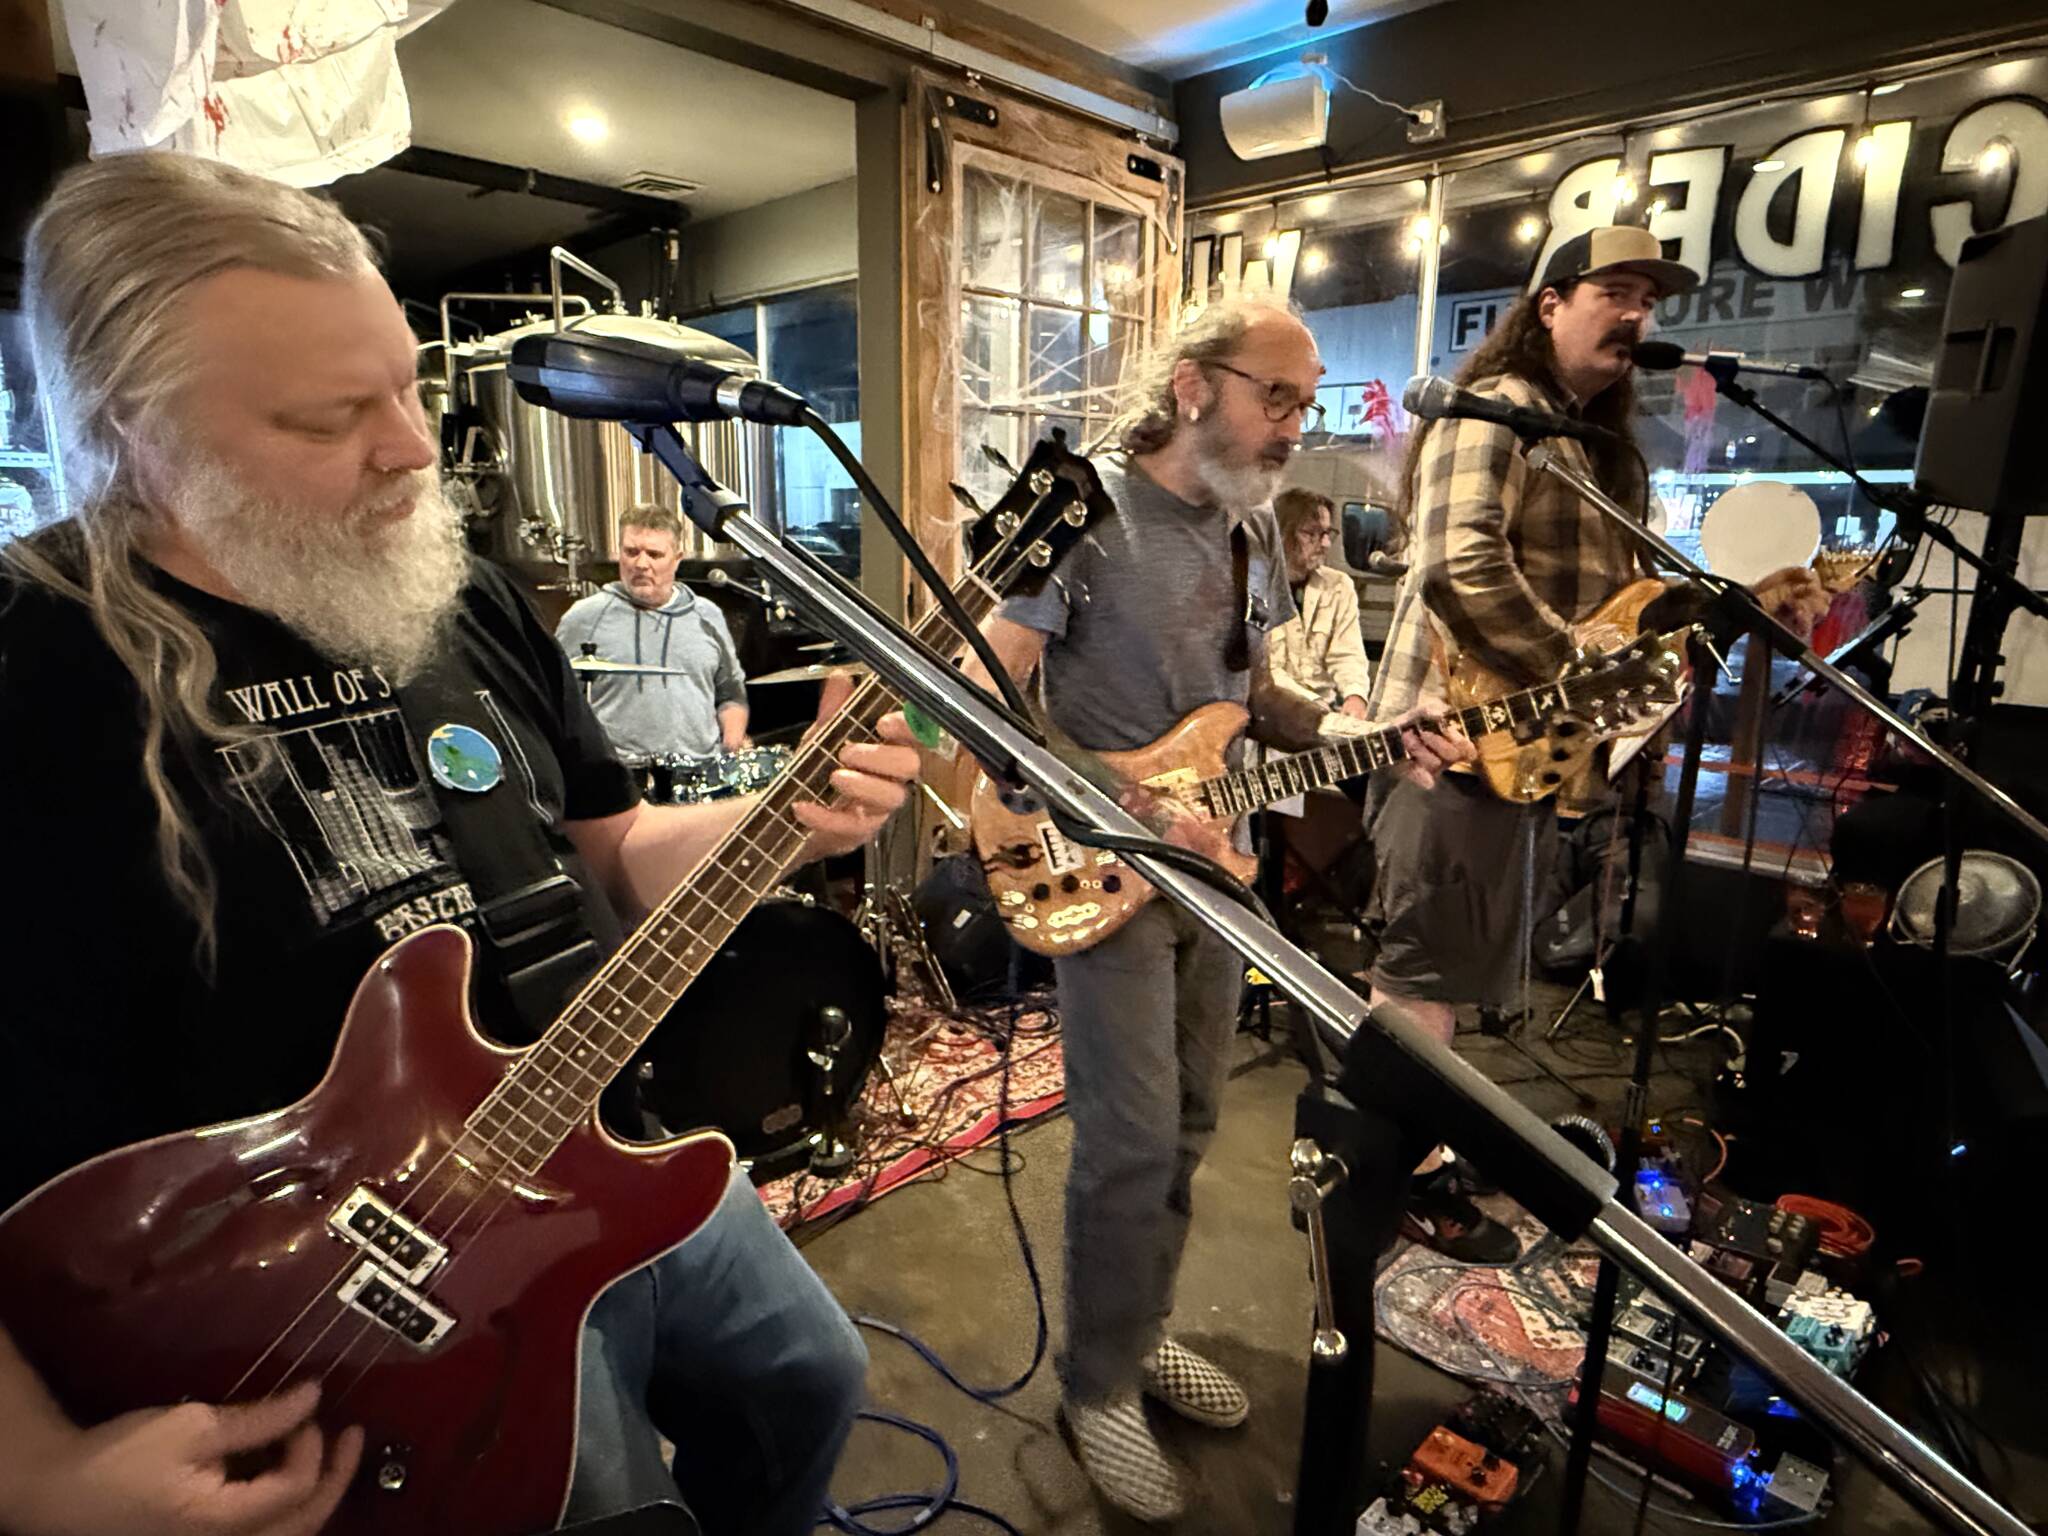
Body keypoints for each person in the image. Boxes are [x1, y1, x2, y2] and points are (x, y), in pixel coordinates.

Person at [0, 153, 921, 1536]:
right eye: (330, 417)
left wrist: (772, 825)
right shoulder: (31, 667)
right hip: (343, 1299)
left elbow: (600, 854)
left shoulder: (457, 591)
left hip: (594, 1139)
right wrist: (35, 1478)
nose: (413, 447)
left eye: (407, 389)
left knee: (808, 1377)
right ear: (139, 425)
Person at [972, 293, 1471, 1523]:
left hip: (1224, 873)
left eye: (1303, 405)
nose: (1293, 427)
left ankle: (1136, 1335)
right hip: (1103, 866)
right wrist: (1131, 806)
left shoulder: (1247, 538)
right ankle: (1092, 1388)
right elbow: (977, 704)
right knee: (1131, 1136)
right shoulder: (1072, 504)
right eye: (1277, 399)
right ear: (1194, 384)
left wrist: (1362, 730)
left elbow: (1256, 705)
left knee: (1194, 1121)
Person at [1364, 225, 1828, 1260]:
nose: (1635, 316)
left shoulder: (1594, 448)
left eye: (1648, 301)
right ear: (1547, 305)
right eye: (1613, 291)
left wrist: (1738, 616)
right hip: (1447, 742)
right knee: (1416, 979)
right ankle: (1393, 1177)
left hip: (1525, 756)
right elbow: (1456, 568)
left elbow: (1625, 617)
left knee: (1454, 975)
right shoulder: (1498, 417)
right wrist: (1580, 670)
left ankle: (1425, 1146)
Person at [556, 505, 750, 761]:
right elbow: (556, 702)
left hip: (701, 775)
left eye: (654, 554)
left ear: (677, 558)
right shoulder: (584, 618)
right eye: (631, 552)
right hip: (621, 781)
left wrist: (732, 740)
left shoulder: (707, 615)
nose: (641, 564)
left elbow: (731, 695)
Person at [1268, 487, 1371, 718]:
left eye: (1327, 533)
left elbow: (1348, 654)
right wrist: (1314, 705)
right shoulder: (1252, 587)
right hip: (1271, 718)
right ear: (1282, 533)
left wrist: (1355, 697)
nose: (1324, 543)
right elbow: (1266, 672)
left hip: (1325, 713)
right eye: (1311, 533)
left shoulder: (1339, 586)